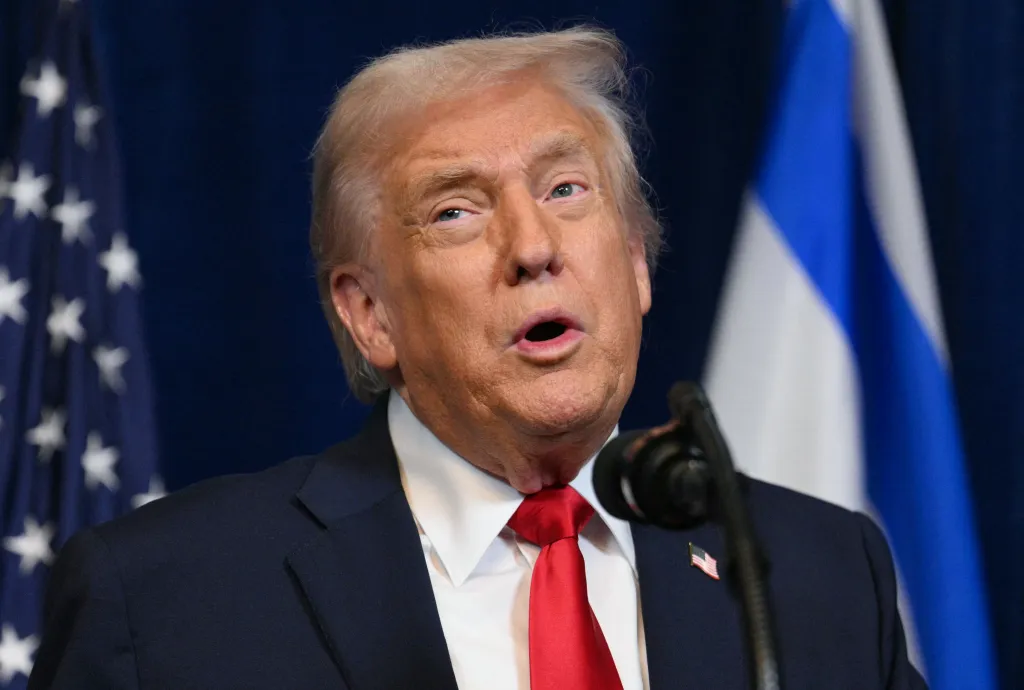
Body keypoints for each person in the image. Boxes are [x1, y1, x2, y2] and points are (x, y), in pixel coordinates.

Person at [29, 27, 926, 690]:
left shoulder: (816, 571)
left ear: (638, 264)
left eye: (566, 189)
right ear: (369, 314)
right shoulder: (166, 600)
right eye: (457, 210)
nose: (533, 245)